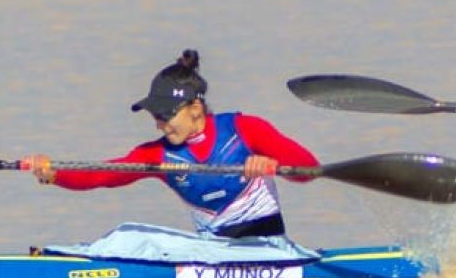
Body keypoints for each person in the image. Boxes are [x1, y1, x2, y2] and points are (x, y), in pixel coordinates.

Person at [26, 49, 320, 240]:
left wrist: (275, 166)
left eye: (166, 115)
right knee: (131, 236)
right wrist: (54, 173)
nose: (160, 124)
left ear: (195, 108)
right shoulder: (157, 154)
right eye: (156, 116)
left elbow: (309, 170)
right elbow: (103, 175)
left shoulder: (246, 129)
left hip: (268, 249)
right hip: (212, 256)